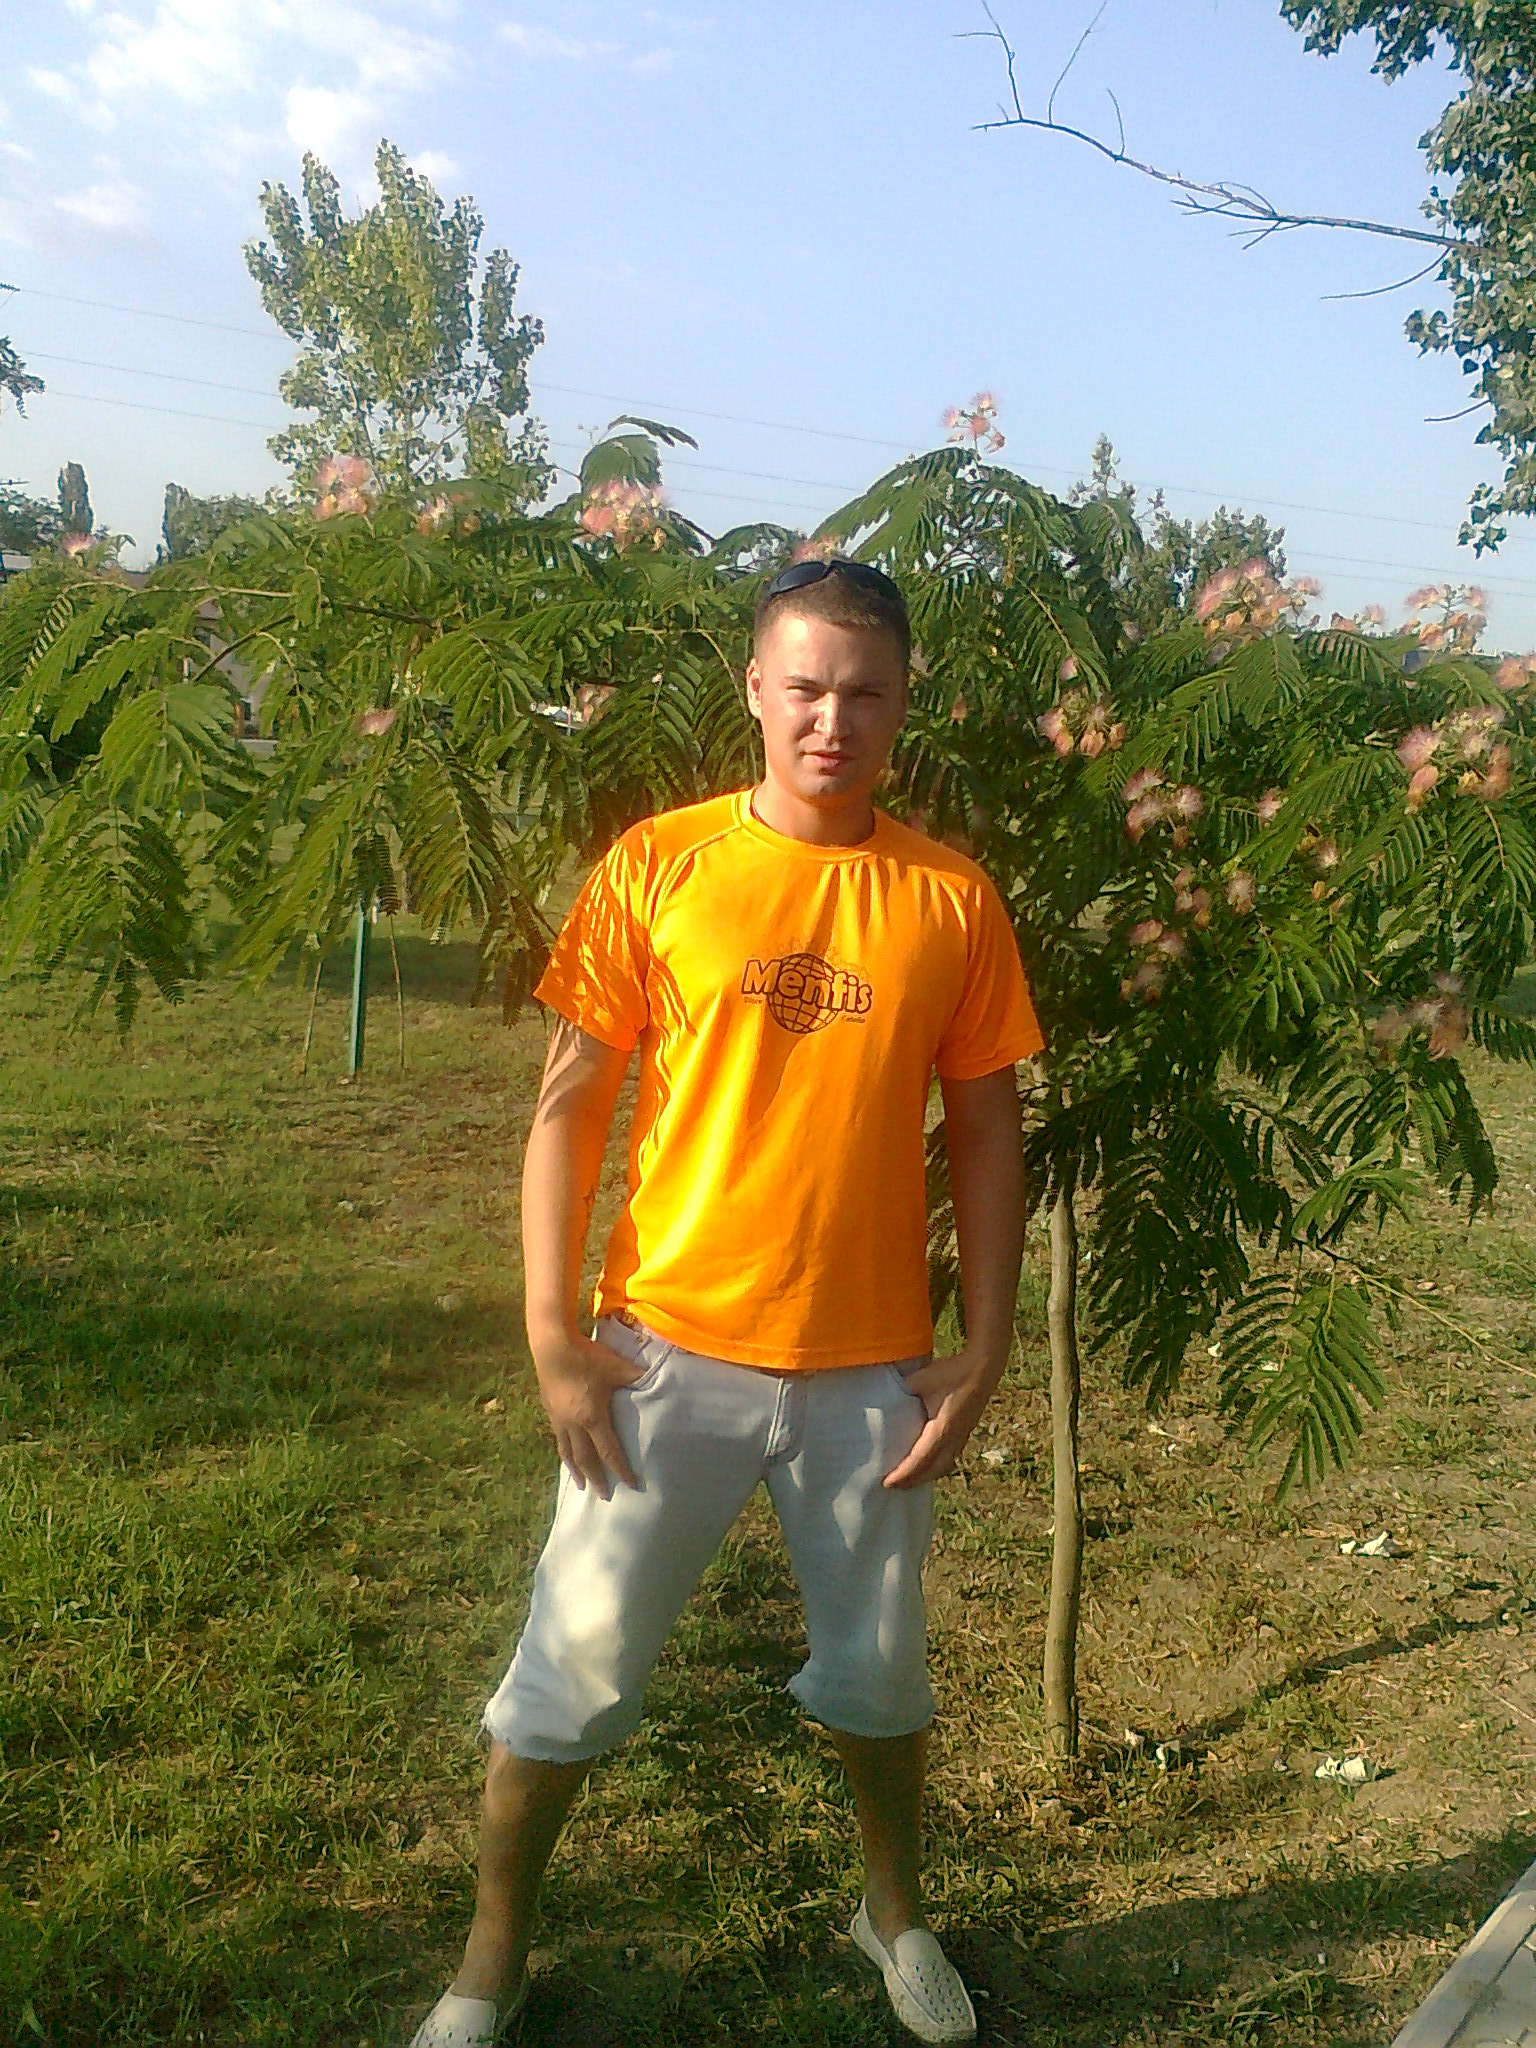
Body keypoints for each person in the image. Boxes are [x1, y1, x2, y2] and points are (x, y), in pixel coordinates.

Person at [410, 558, 1044, 2048]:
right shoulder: (658, 864)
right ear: (756, 689)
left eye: (865, 693)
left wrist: (986, 1343)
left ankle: (894, 1915)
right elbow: (569, 1109)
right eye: (805, 687)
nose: (833, 720)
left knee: (880, 1682)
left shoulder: (950, 898)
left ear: (903, 706)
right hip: (659, 1358)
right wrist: (553, 1334)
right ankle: (489, 1963)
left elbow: (987, 1129)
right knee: (567, 1678)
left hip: (870, 1374)